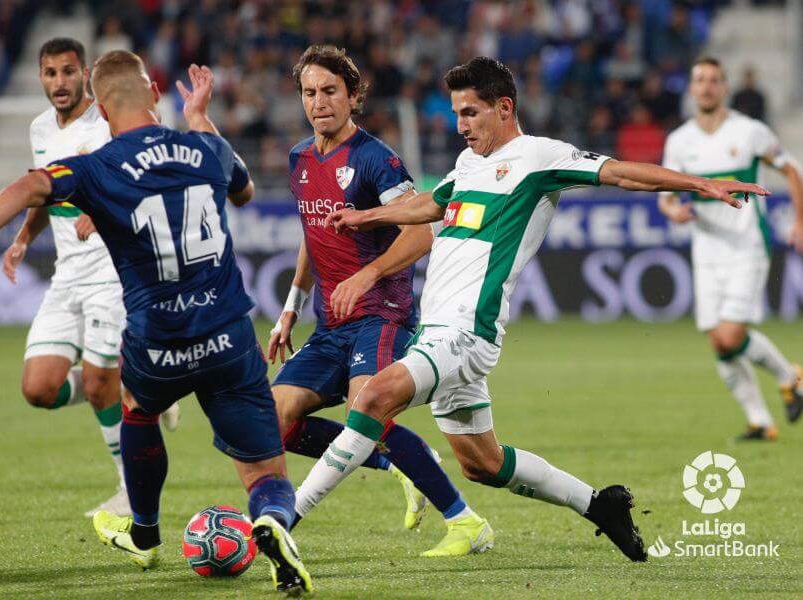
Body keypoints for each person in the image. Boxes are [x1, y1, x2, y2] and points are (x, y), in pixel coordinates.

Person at [292, 56, 768, 563]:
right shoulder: (469, 164)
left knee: (370, 400)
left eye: (471, 113)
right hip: (440, 331)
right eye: (457, 113)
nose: (461, 125)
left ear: (504, 108)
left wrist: (699, 185)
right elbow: (433, 204)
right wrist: (369, 215)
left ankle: (282, 518)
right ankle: (599, 505)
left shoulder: (539, 157)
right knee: (482, 463)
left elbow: (622, 175)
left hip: (466, 333)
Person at [0, 53, 312, 594]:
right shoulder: (205, 146)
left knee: (136, 409)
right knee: (265, 474)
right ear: (155, 92)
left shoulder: (98, 165)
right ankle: (272, 519)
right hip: (229, 335)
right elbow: (244, 190)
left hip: (157, 343)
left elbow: (25, 189)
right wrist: (200, 116)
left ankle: (144, 531)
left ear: (103, 109)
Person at [268, 45, 489, 556]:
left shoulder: (376, 159)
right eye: (309, 92)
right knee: (273, 421)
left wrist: (367, 275)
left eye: (329, 91)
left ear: (353, 96)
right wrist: (289, 308)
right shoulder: (300, 157)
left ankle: (464, 520)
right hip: (329, 323)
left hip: (381, 316)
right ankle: (400, 462)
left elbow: (423, 230)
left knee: (367, 413)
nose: (318, 102)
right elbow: (312, 236)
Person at [2, 38, 179, 518]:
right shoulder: (40, 128)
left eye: (67, 72)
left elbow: (147, 177)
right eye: (50, 73)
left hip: (113, 273)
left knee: (101, 387)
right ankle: (142, 392)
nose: (59, 82)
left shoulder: (107, 122)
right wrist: (22, 238)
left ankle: (128, 490)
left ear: (85, 74)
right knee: (39, 390)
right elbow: (45, 188)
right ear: (40, 77)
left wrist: (103, 214)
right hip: (67, 276)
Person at [659, 57, 803, 440]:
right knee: (718, 342)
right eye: (700, 80)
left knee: (730, 335)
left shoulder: (750, 131)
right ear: (691, 89)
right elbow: (666, 196)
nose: (706, 86)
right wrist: (673, 211)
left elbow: (792, 169)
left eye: (714, 80)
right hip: (706, 250)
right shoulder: (680, 141)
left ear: (724, 88)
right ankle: (760, 420)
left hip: (747, 244)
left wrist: (800, 223)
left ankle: (790, 376)